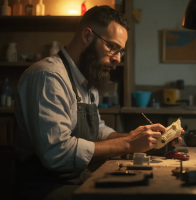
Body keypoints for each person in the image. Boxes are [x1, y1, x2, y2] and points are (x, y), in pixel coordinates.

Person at [14, 5, 183, 200]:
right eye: (112, 47)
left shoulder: (88, 76)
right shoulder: (48, 76)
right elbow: (57, 153)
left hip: (78, 177)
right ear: (87, 36)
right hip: (46, 187)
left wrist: (142, 138)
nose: (118, 59)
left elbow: (98, 131)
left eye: (121, 51)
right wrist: (128, 143)